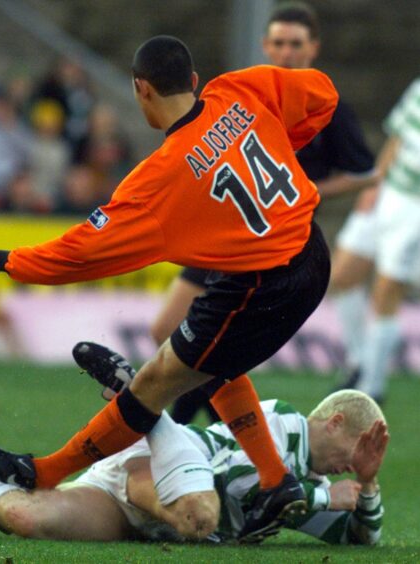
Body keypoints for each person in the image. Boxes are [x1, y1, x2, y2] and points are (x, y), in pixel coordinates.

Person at [0, 35, 338, 540]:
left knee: (155, 380)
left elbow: (81, 252)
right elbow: (322, 93)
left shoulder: (159, 179)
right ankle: (276, 481)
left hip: (264, 282)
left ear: (141, 89)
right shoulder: (237, 92)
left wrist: (7, 261)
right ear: (195, 80)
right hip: (311, 249)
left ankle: (44, 472)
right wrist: (282, 142)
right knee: (212, 368)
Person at [150, 2, 377, 425]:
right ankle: (221, 431)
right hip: (225, 229)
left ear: (313, 49)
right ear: (265, 45)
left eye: (295, 44)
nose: (286, 52)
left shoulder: (325, 103)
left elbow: (365, 173)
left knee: (202, 343)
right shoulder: (251, 93)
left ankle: (191, 430)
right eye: (278, 43)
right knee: (165, 328)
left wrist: (307, 189)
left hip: (271, 242)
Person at [0, 361, 388, 545]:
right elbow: (252, 488)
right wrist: (325, 498)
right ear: (335, 422)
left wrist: (365, 487)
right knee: (200, 519)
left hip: (147, 507)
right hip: (156, 464)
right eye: (361, 446)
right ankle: (148, 409)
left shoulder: (312, 483)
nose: (355, 459)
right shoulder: (283, 426)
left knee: (20, 517)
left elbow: (358, 538)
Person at [330, 78, 420, 402]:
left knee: (386, 290)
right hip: (389, 191)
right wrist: (373, 184)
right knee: (342, 274)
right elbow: (397, 137)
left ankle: (372, 386)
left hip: (415, 207)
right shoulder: (418, 88)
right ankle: (360, 359)